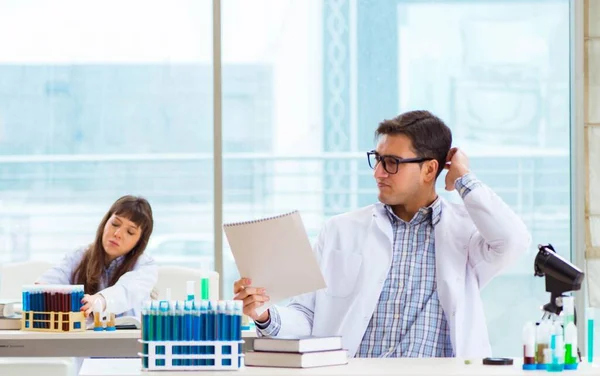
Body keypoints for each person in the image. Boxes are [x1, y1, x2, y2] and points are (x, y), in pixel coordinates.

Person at [233, 110, 531, 358]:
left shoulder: (465, 234)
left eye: (392, 163)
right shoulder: (341, 230)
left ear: (430, 170)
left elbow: (513, 240)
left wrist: (464, 178)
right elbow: (307, 316)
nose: (378, 172)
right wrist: (265, 314)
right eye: (378, 159)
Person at [37, 195, 157, 318]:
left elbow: (125, 291)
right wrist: (40, 290)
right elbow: (52, 279)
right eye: (115, 224)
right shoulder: (80, 255)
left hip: (128, 336)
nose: (117, 234)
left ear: (140, 241)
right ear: (105, 223)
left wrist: (100, 301)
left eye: (130, 232)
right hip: (86, 336)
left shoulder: (145, 266)